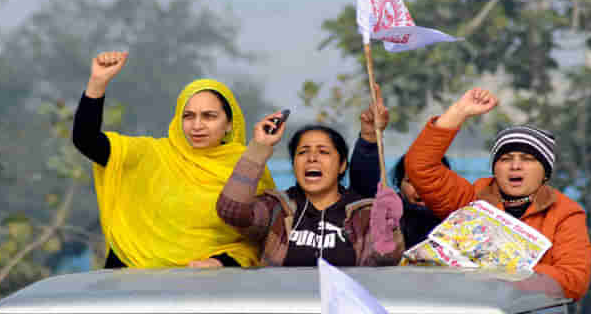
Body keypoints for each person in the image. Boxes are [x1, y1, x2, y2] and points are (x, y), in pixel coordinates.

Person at [72, 51, 275, 269]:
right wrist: (97, 83)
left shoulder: (247, 168)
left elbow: (256, 239)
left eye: (209, 116)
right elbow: (86, 140)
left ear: (228, 124)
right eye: (188, 116)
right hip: (130, 281)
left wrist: (220, 262)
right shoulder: (151, 154)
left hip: (204, 289)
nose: (197, 125)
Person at [404, 88, 591, 300]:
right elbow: (420, 166)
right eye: (506, 159)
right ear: (495, 168)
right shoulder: (470, 201)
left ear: (545, 173)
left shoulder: (565, 214)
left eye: (527, 159)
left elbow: (574, 281)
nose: (515, 166)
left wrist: (504, 270)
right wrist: (459, 111)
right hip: (464, 309)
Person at [216, 114, 405, 266]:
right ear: (294, 164)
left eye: (323, 152)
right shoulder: (275, 208)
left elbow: (386, 261)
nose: (312, 158)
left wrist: (387, 229)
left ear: (341, 165)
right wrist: (260, 146)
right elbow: (232, 212)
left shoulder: (364, 213)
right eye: (303, 152)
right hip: (286, 311)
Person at [349, 88, 453, 249]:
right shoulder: (387, 216)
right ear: (398, 184)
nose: (421, 190)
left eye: (430, 181)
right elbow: (362, 185)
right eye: (411, 182)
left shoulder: (458, 220)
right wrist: (369, 137)